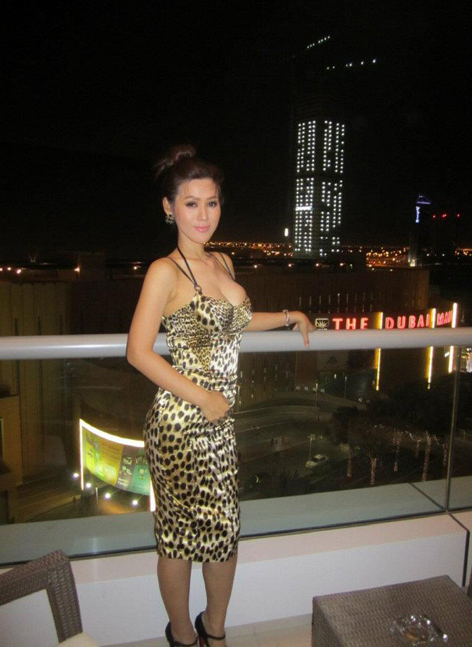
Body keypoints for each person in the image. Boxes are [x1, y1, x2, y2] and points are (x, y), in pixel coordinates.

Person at [127, 144, 314, 647]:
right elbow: (138, 352)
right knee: (179, 538)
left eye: (211, 203)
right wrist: (203, 399)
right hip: (181, 422)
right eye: (191, 203)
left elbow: (235, 321)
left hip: (219, 423)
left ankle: (215, 629)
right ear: (169, 208)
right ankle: (185, 636)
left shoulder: (222, 260)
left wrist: (289, 316)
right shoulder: (165, 271)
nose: (203, 214)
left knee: (223, 534)